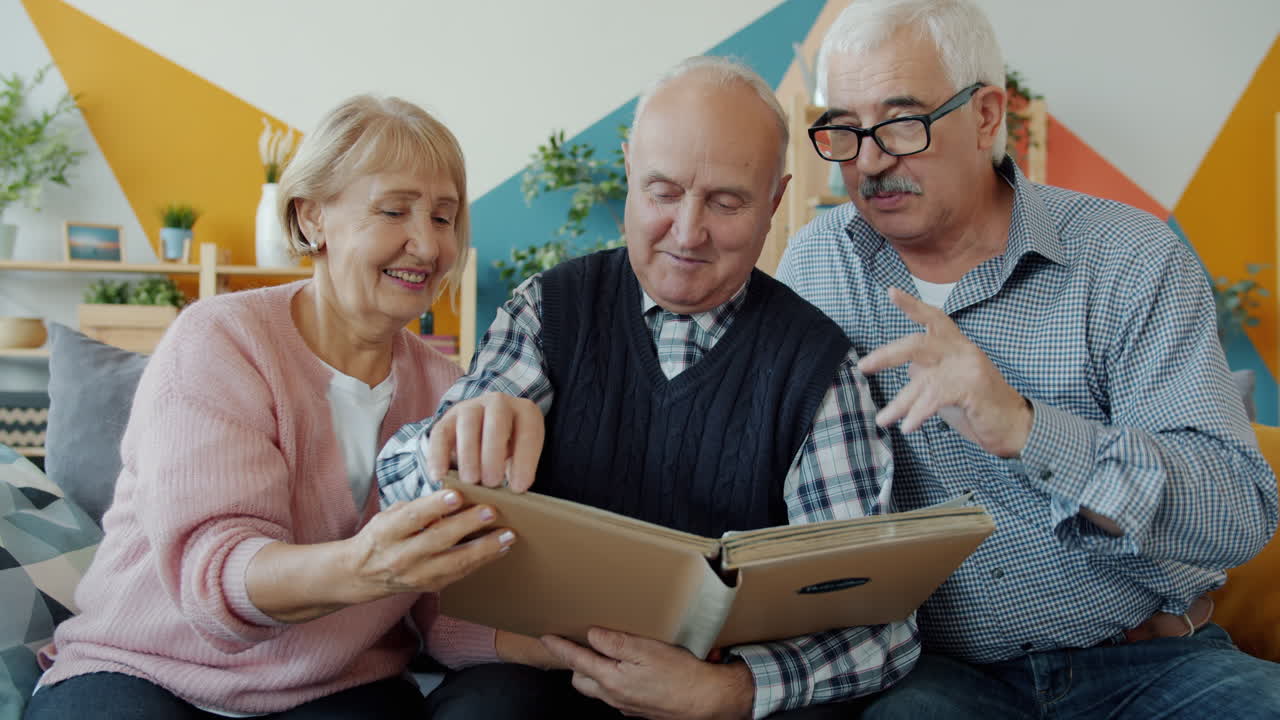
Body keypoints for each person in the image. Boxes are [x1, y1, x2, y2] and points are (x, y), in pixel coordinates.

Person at [776, 0, 1280, 717]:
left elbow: (1239, 509)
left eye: (900, 123)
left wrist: (1024, 428)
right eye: (845, 130)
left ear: (986, 115)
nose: (870, 161)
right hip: (942, 677)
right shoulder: (816, 268)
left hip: (1152, 660)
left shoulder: (1130, 258)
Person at [377, 57, 918, 719]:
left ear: (775, 203)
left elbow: (880, 627)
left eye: (726, 202)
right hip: (550, 680)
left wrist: (731, 692)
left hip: (725, 694)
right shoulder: (549, 311)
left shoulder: (818, 367)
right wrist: (449, 445)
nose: (688, 233)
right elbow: (401, 492)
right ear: (630, 169)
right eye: (663, 192)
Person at [26, 95, 535, 719]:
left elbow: (445, 614)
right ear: (312, 217)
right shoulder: (221, 340)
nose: (427, 246)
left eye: (444, 217)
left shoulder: (448, 387)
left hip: (334, 685)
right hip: (148, 668)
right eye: (394, 210)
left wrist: (579, 651)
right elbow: (215, 577)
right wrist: (366, 566)